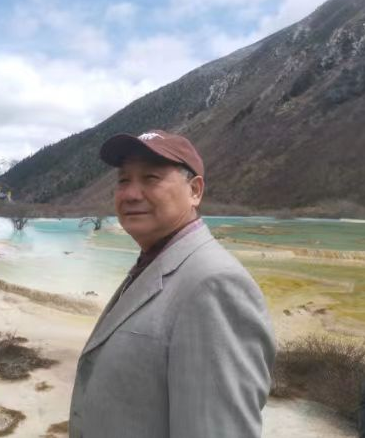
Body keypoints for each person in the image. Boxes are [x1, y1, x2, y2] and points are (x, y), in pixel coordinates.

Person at [69, 130, 276, 438]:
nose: (130, 194)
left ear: (195, 191)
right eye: (123, 180)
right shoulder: (153, 263)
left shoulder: (215, 285)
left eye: (151, 178)